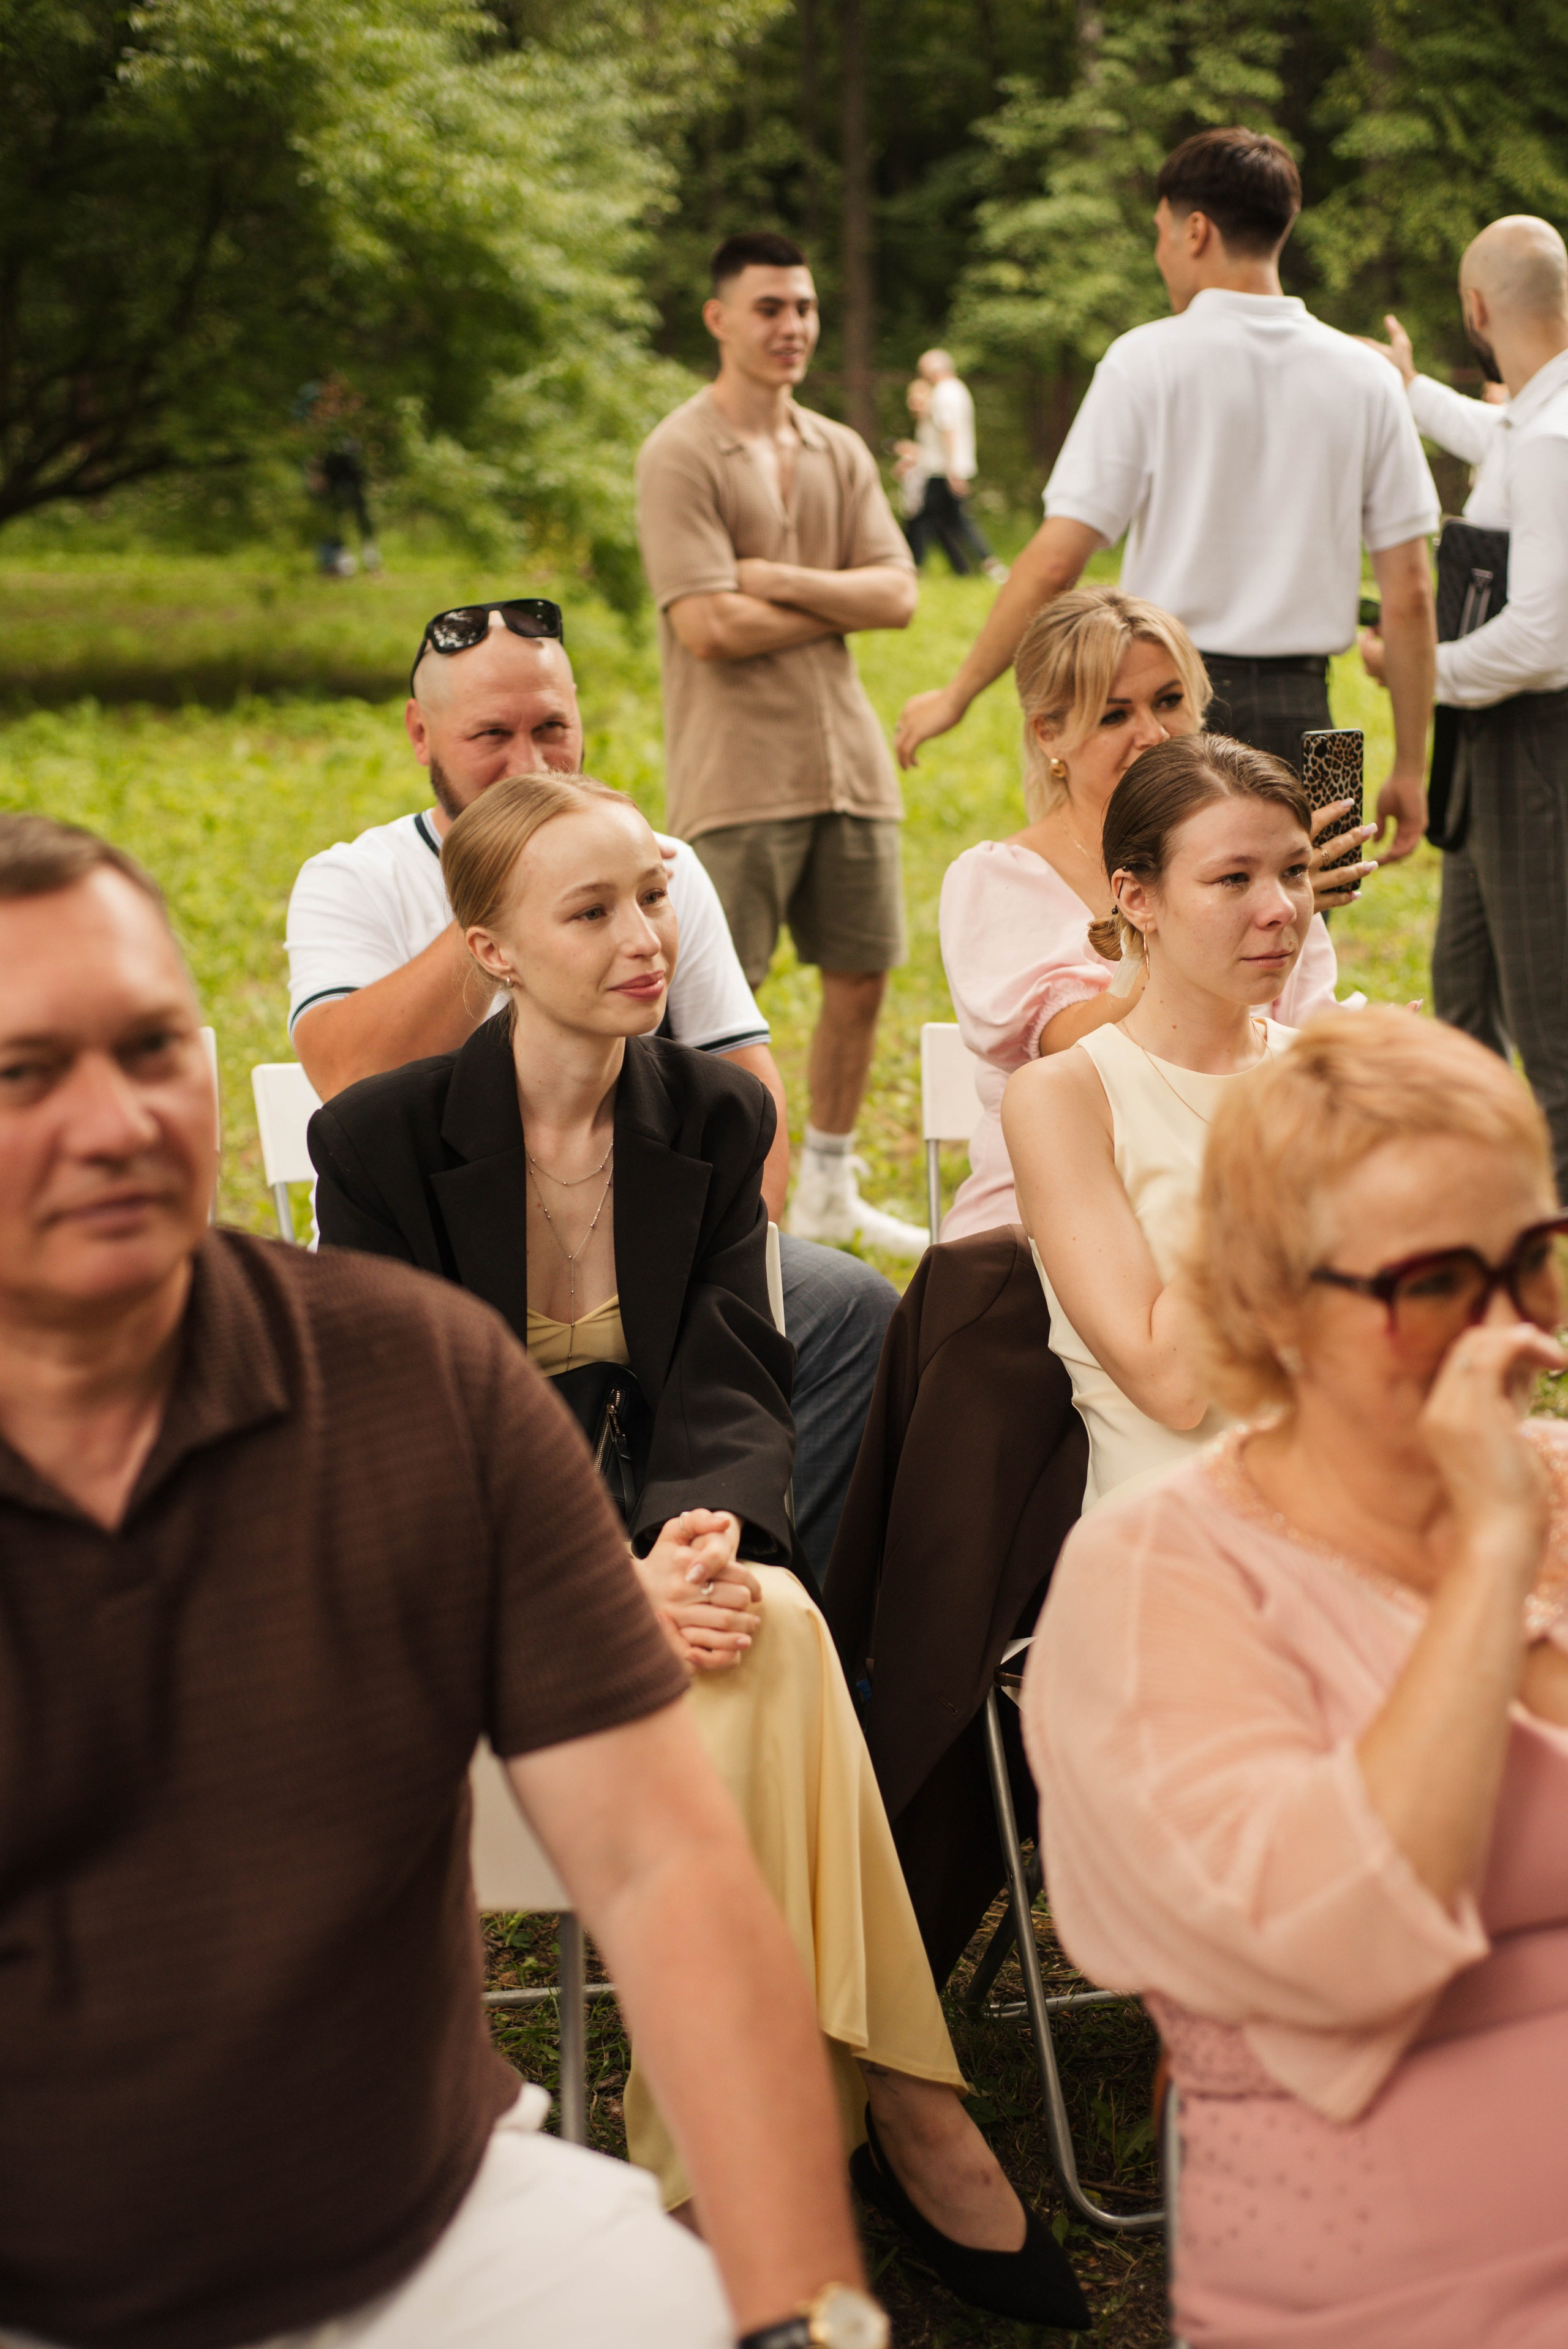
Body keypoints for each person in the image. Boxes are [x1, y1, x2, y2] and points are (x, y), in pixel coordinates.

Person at [0, 809, 883, 2349]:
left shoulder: (411, 1375)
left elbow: (669, 1873)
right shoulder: (400, 1149)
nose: (116, 1118)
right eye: (26, 1070)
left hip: (430, 2226)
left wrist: (802, 2313)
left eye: (152, 1044)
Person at [307, 770, 1089, 2334]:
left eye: (651, 895)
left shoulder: (709, 1113)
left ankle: (712, 2183)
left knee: (772, 1617)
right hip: (462, 1585)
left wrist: (694, 1532)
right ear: (493, 950)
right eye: (588, 909)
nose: (642, 935)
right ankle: (898, 2114)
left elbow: (735, 1370)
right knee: (773, 1638)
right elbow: (403, 1435)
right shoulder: (384, 1137)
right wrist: (605, 1579)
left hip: (654, 1547)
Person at [1025, 1006, 1568, 2348]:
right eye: (1432, 1284)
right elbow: (1331, 1943)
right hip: (1411, 2288)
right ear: (1271, 1305)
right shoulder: (1153, 1580)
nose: (1507, 1332)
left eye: (1533, 1261)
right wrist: (1493, 1552)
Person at [285, 598, 895, 1587]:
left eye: (550, 730)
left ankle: (784, 1591)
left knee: (849, 1309)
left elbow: (746, 1094)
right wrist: (513, 877)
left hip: (646, 1219)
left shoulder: (650, 858)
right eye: (493, 736)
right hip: (441, 1256)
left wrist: (701, 1282)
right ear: (420, 733)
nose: (529, 761)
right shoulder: (353, 880)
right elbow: (351, 1074)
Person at [895, 126, 1439, 857]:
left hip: (1166, 710)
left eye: (1158, 232)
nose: (1158, 254)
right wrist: (1409, 762)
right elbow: (1409, 593)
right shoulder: (1366, 376)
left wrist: (956, 694)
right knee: (1302, 950)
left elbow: (1057, 563)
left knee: (1157, 941)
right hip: (1313, 713)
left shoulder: (1144, 361)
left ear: (1194, 229)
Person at [635, 230, 928, 1257]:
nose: (792, 327)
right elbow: (705, 629)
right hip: (735, 773)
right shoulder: (680, 451)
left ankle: (830, 1189)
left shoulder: (841, 449)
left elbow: (898, 594)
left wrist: (775, 578)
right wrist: (833, 597)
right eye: (769, 308)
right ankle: (721, 1198)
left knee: (862, 974)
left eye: (803, 308)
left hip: (846, 760)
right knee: (719, 993)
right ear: (719, 319)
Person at [940, 590, 1368, 1239]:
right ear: (1049, 733)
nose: (1154, 733)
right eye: (1115, 715)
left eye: (1169, 701)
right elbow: (1071, 1048)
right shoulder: (998, 879)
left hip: (1237, 1204)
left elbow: (1303, 1040)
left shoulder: (1266, 876)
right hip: (1050, 1222)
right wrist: (1204, 917)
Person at [1002, 732, 1316, 1510]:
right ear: (1138, 898)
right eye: (1233, 879)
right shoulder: (1067, 1096)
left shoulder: (1322, 1071)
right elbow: (1172, 1386)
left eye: (1295, 871)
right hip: (1178, 1532)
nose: (1279, 909)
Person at [1360, 216, 1568, 1195]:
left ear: (1476, 310)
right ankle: (1481, 1227)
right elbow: (1495, 434)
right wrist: (1408, 388)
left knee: (1552, 1032)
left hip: (1537, 747)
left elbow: (1541, 639)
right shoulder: (1536, 419)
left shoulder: (1557, 438)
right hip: (1488, 751)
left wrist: (1415, 668)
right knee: (1464, 998)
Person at [913, 349, 1008, 581]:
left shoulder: (944, 393)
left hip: (942, 469)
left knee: (937, 520)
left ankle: (990, 565)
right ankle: (964, 569)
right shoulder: (957, 390)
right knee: (943, 522)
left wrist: (953, 470)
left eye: (924, 369)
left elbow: (949, 431)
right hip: (948, 467)